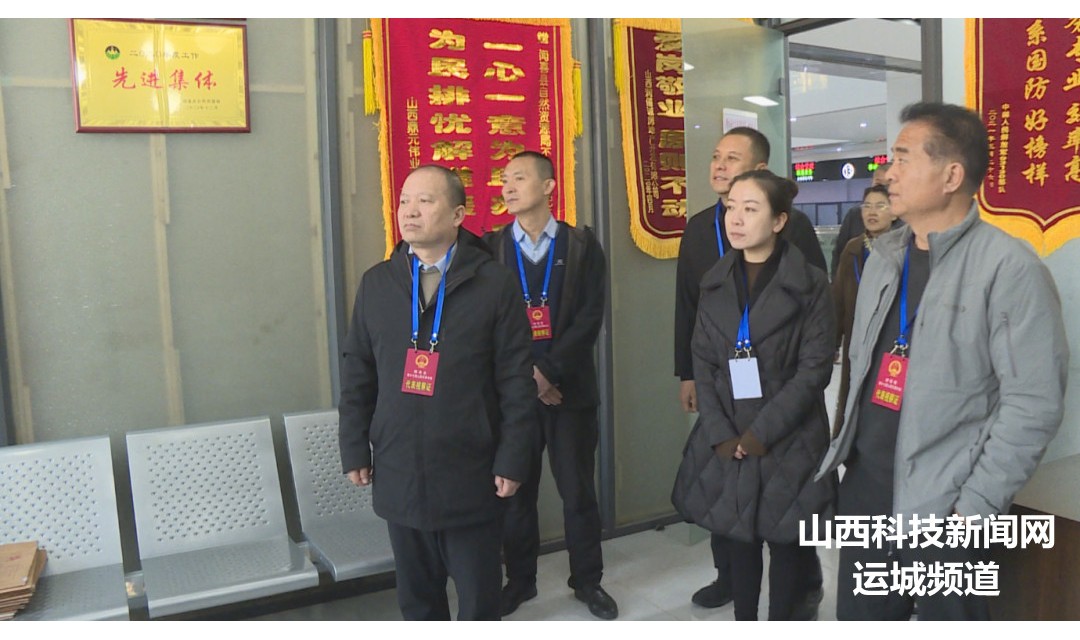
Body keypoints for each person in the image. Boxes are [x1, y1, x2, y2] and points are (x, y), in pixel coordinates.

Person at [817, 102, 1069, 620]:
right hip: (868, 492)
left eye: (903, 158)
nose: (888, 174)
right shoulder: (883, 258)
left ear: (951, 176)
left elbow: (1033, 404)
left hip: (945, 505)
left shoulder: (1009, 269)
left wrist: (973, 508)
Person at [338, 164, 537, 621]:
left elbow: (515, 380)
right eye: (404, 201)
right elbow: (357, 372)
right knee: (418, 602)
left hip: (471, 470)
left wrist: (513, 458)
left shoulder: (494, 284)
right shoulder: (378, 283)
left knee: (479, 602)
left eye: (425, 201)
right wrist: (354, 447)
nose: (410, 211)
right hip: (399, 467)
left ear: (457, 215)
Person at [673, 126, 826, 615]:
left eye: (750, 209)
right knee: (736, 534)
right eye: (732, 209)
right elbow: (702, 355)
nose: (736, 219)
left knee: (786, 540)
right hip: (729, 423)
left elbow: (814, 368)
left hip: (786, 429)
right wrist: (720, 430)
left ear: (780, 220)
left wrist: (762, 432)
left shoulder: (808, 280)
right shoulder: (714, 279)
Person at [485, 151, 617, 620]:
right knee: (515, 492)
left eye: (519, 178)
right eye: (504, 179)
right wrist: (530, 378)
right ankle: (520, 581)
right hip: (514, 397)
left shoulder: (582, 246)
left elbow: (589, 318)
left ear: (548, 186)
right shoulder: (492, 247)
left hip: (570, 392)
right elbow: (489, 325)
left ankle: (588, 581)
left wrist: (549, 371)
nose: (508, 187)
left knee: (578, 492)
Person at [830, 184, 896, 436]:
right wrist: (833, 342)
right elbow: (838, 299)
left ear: (894, 212)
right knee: (852, 395)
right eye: (867, 206)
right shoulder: (853, 249)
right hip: (855, 335)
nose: (872, 212)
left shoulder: (903, 249)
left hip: (889, 339)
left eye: (880, 206)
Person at [830, 163, 892, 278]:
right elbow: (839, 254)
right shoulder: (854, 216)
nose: (881, 189)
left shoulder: (905, 226)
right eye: (878, 184)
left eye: (887, 185)